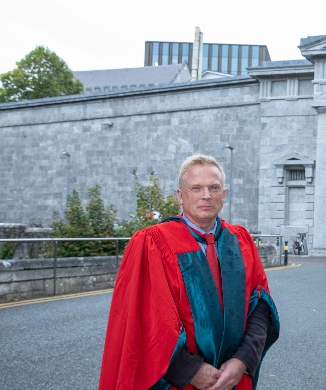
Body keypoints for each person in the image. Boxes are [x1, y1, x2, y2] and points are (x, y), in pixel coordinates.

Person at [99, 154, 280, 390]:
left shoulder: (241, 241)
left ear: (223, 195)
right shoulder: (152, 243)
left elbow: (260, 306)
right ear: (180, 196)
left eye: (214, 188)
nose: (206, 195)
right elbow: (144, 320)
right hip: (178, 382)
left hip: (232, 379)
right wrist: (190, 370)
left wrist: (243, 360)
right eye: (196, 188)